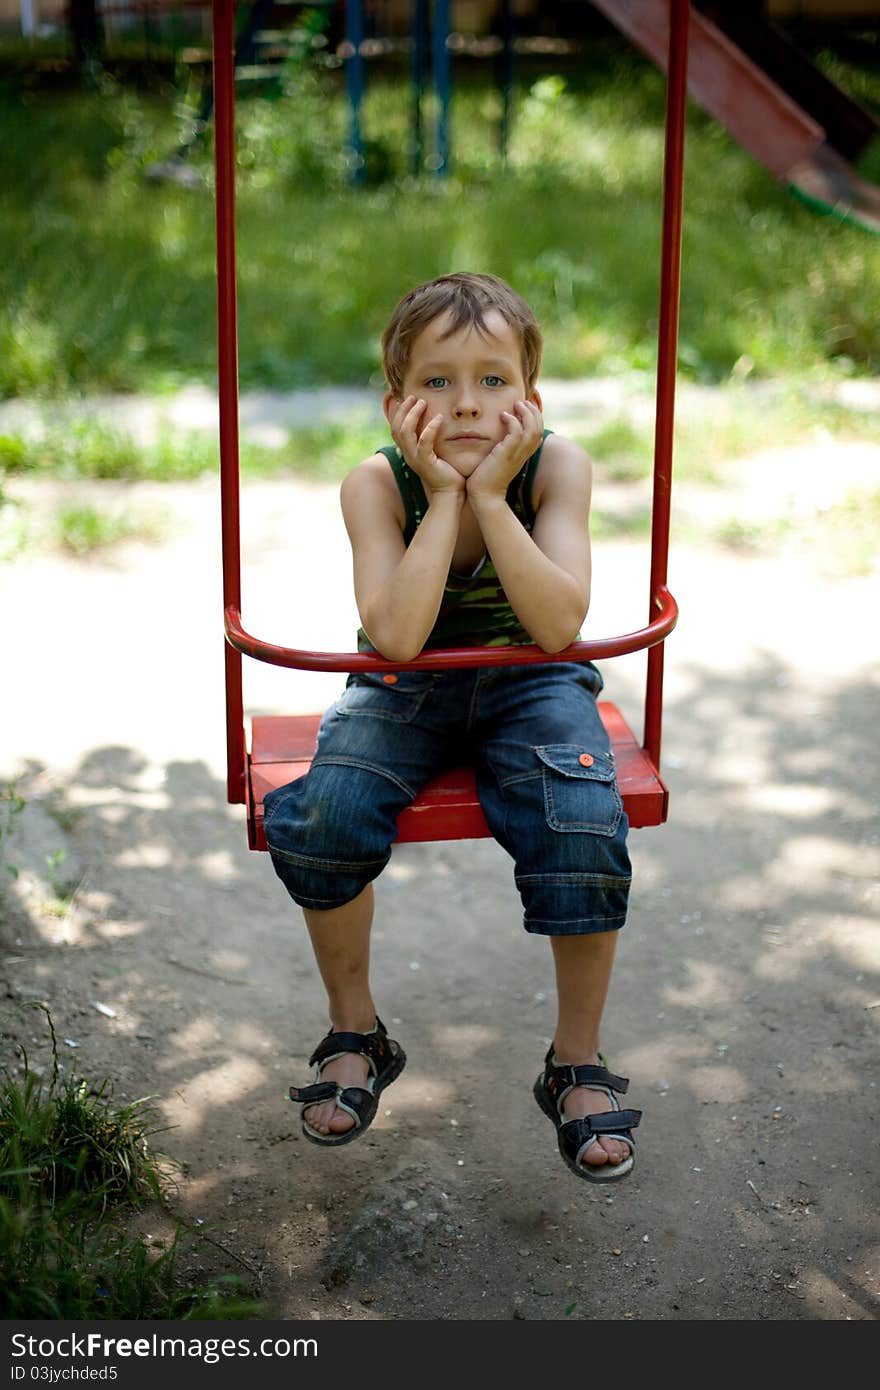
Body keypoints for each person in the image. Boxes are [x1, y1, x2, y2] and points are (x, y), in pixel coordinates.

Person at [263, 272, 641, 1182]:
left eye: (492, 380)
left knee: (583, 821)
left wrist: (491, 496)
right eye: (436, 382)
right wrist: (443, 497)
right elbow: (394, 637)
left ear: (531, 398)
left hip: (531, 678)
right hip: (405, 686)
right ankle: (356, 1031)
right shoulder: (375, 485)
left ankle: (575, 1061)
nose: (466, 404)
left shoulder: (558, 466)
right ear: (397, 406)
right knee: (325, 819)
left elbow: (557, 626)